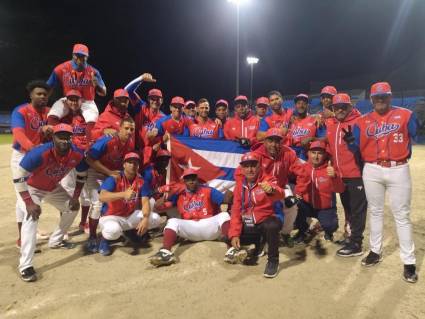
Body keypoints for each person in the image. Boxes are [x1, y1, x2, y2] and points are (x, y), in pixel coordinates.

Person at [344, 81, 418, 283]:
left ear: (390, 96)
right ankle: (375, 251)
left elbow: (415, 134)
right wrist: (351, 144)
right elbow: (356, 148)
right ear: (371, 99)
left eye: (384, 96)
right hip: (372, 169)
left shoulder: (406, 115)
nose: (380, 100)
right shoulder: (362, 122)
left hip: (398, 168)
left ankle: (409, 261)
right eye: (377, 97)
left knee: (401, 215)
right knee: (375, 211)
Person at [13, 124, 87, 282]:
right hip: (31, 188)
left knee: (73, 208)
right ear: (53, 138)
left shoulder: (77, 154)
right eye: (60, 136)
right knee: (31, 217)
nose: (64, 140)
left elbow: (82, 175)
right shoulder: (39, 153)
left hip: (52, 187)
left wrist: (75, 196)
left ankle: (56, 240)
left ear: (71, 138)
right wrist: (28, 202)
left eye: (67, 136)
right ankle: (25, 265)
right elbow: (19, 176)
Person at [149, 169, 231, 266]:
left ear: (197, 179)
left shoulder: (208, 190)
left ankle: (232, 250)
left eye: (193, 178)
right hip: (191, 229)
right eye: (188, 179)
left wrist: (229, 194)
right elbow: (160, 207)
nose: (191, 181)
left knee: (224, 215)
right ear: (184, 181)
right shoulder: (179, 195)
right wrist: (164, 198)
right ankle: (165, 252)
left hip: (210, 226)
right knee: (172, 221)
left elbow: (226, 200)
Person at [226, 152, 284, 278]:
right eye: (246, 166)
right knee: (229, 234)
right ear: (242, 169)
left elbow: (281, 193)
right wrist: (234, 234)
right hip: (250, 222)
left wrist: (272, 190)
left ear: (259, 166)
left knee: (271, 226)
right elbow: (236, 210)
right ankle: (258, 243)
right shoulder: (240, 185)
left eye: (253, 165)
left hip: (267, 219)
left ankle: (273, 260)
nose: (250, 169)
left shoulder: (267, 179)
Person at [10, 80, 52, 248]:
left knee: (29, 194)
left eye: (45, 94)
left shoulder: (49, 113)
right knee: (24, 199)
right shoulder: (21, 111)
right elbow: (18, 133)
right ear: (31, 95)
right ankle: (23, 240)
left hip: (38, 158)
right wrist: (33, 149)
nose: (42, 96)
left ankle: (26, 233)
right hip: (22, 156)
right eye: (39, 94)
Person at [84, 118, 136, 252]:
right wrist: (108, 172)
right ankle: (92, 236)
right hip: (96, 172)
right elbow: (89, 158)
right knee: (97, 204)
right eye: (126, 128)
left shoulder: (129, 143)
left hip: (111, 174)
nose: (129, 131)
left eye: (131, 129)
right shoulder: (108, 139)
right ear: (120, 128)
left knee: (114, 202)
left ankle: (111, 232)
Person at [326, 93, 367, 256]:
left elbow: (365, 149)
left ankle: (356, 243)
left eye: (344, 106)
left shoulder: (359, 122)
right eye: (337, 107)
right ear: (333, 109)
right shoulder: (333, 125)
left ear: (350, 107)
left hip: (356, 174)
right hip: (340, 175)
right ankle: (351, 237)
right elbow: (330, 149)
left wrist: (354, 144)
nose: (340, 110)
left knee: (357, 210)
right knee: (348, 209)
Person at [97, 152, 161, 256]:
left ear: (138, 166)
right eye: (130, 162)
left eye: (135, 163)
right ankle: (104, 240)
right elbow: (102, 197)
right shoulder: (115, 178)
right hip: (111, 216)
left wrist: (145, 218)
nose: (132, 165)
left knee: (155, 219)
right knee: (113, 231)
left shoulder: (141, 181)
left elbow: (145, 202)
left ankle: (129, 232)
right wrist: (123, 194)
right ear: (124, 165)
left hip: (129, 215)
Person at [250, 128, 302, 246]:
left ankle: (285, 233)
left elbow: (302, 173)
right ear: (264, 141)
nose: (274, 144)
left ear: (281, 142)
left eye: (277, 141)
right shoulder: (256, 155)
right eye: (270, 141)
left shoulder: (289, 153)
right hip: (261, 188)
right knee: (258, 210)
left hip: (282, 187)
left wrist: (298, 193)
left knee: (292, 206)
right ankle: (261, 235)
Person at [48, 90, 91, 232]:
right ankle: (63, 228)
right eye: (70, 99)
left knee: (86, 194)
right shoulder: (62, 117)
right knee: (66, 191)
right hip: (67, 159)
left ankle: (83, 222)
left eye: (76, 99)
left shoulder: (87, 116)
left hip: (84, 158)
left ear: (81, 101)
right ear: (66, 101)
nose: (73, 102)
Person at [47, 43, 106, 141]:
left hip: (87, 101)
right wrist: (45, 100)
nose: (80, 58)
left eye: (83, 56)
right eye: (77, 55)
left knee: (93, 119)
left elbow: (103, 92)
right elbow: (48, 87)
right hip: (68, 99)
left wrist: (97, 85)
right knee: (53, 113)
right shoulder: (61, 68)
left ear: (87, 57)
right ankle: (54, 141)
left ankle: (89, 147)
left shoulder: (94, 72)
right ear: (73, 55)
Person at [294, 141, 345, 242]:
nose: (316, 156)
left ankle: (328, 231)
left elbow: (340, 189)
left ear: (325, 155)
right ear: (308, 153)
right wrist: (297, 193)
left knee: (330, 226)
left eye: (320, 153)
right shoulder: (303, 167)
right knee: (294, 206)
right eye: (313, 152)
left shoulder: (330, 169)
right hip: (308, 205)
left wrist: (335, 177)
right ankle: (302, 230)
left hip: (325, 208)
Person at [286, 94, 326, 160]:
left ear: (308, 106)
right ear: (295, 106)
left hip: (310, 155)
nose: (301, 106)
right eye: (298, 103)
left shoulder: (316, 120)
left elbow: (324, 139)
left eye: (304, 103)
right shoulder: (290, 121)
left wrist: (312, 139)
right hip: (293, 155)